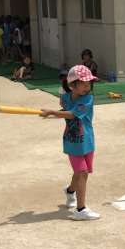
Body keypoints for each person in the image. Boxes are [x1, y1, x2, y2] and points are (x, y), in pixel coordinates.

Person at [40, 65, 100, 221]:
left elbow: (73, 114)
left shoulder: (88, 99)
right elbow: (64, 104)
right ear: (73, 85)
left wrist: (53, 112)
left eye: (89, 83)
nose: (87, 87)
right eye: (83, 84)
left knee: (81, 173)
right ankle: (81, 209)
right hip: (72, 141)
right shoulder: (65, 98)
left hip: (87, 141)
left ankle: (70, 191)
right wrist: (54, 112)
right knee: (82, 172)